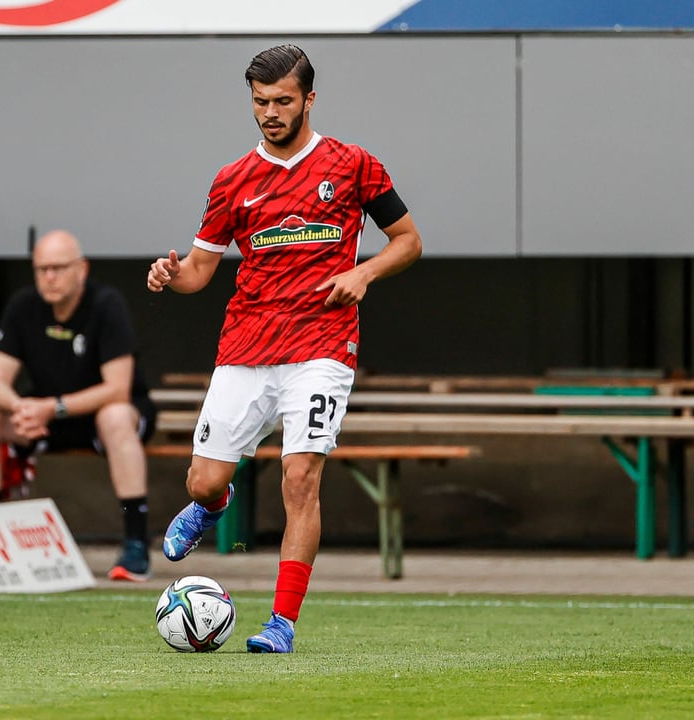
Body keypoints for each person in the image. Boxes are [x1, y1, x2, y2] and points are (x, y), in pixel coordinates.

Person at [147, 45, 422, 652]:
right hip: (246, 346)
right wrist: (171, 274)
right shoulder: (232, 180)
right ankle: (213, 506)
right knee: (201, 481)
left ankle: (282, 623)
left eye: (282, 101)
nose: (270, 113)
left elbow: (408, 240)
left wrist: (365, 274)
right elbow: (199, 269)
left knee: (300, 479)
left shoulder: (353, 165)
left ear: (309, 100)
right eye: (260, 102)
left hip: (323, 347)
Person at [0, 229, 156, 582]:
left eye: (58, 267)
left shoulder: (106, 304)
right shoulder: (24, 305)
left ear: (82, 269)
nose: (49, 277)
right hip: (45, 417)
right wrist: (21, 407)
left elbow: (118, 389)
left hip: (105, 415)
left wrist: (51, 407)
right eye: (41, 269)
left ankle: (135, 543)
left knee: (115, 417)